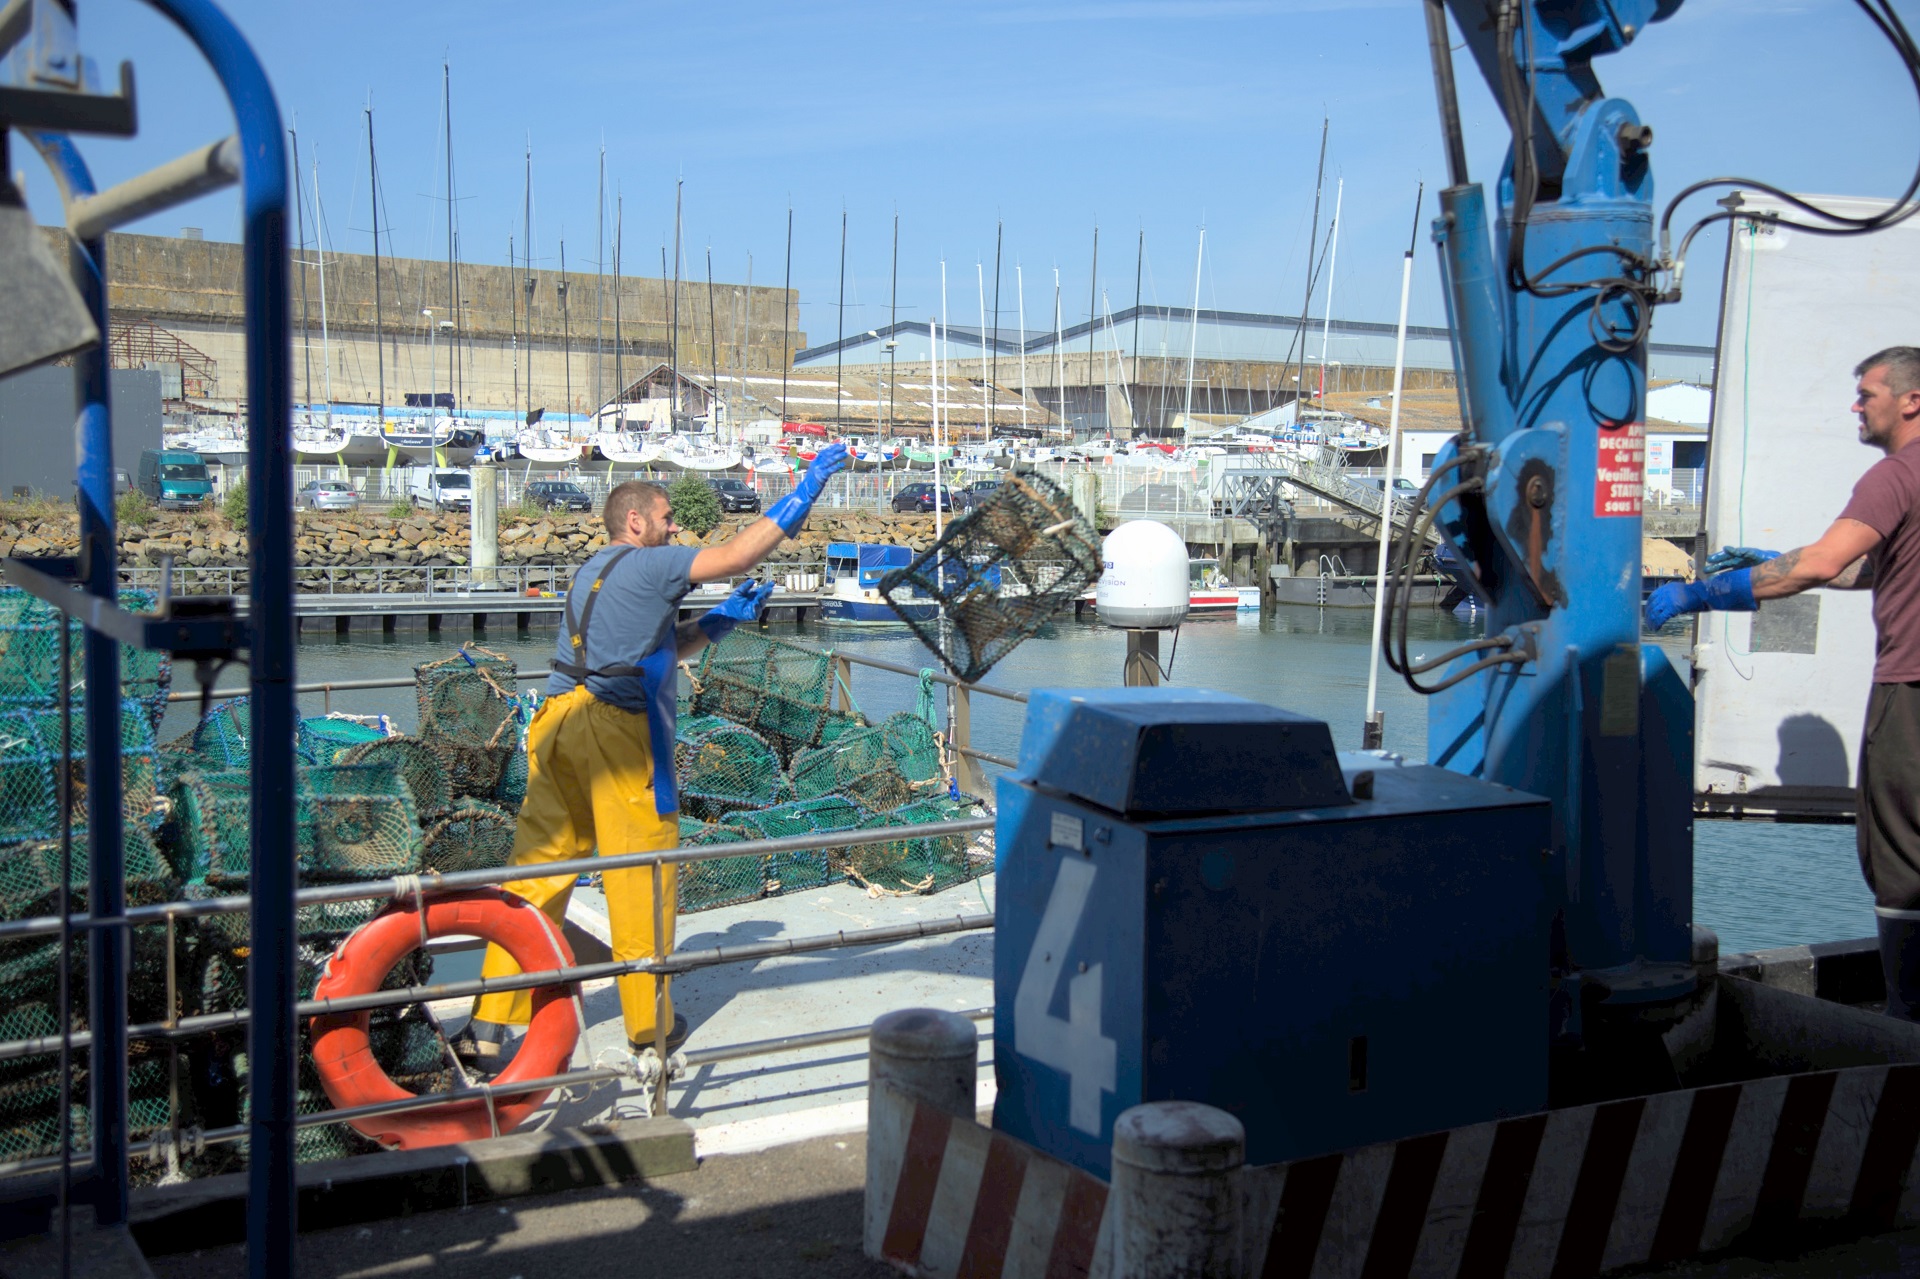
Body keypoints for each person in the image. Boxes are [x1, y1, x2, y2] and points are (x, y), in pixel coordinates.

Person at [454, 444, 850, 1073]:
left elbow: (663, 648)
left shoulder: (596, 571)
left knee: (536, 874)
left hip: (558, 726)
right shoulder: (652, 564)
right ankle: (650, 1028)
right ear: (634, 521)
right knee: (643, 875)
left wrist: (719, 623)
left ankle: (488, 1024)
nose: (674, 529)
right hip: (615, 734)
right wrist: (803, 493)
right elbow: (740, 554)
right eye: (666, 518)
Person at [1647, 346, 1920, 1018]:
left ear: (1911, 399)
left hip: (1908, 691)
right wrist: (1781, 564)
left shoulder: (1893, 475)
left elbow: (1823, 564)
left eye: (1868, 393)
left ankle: (1909, 1023)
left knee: (1900, 865)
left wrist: (1707, 593)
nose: (1856, 406)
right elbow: (1871, 569)